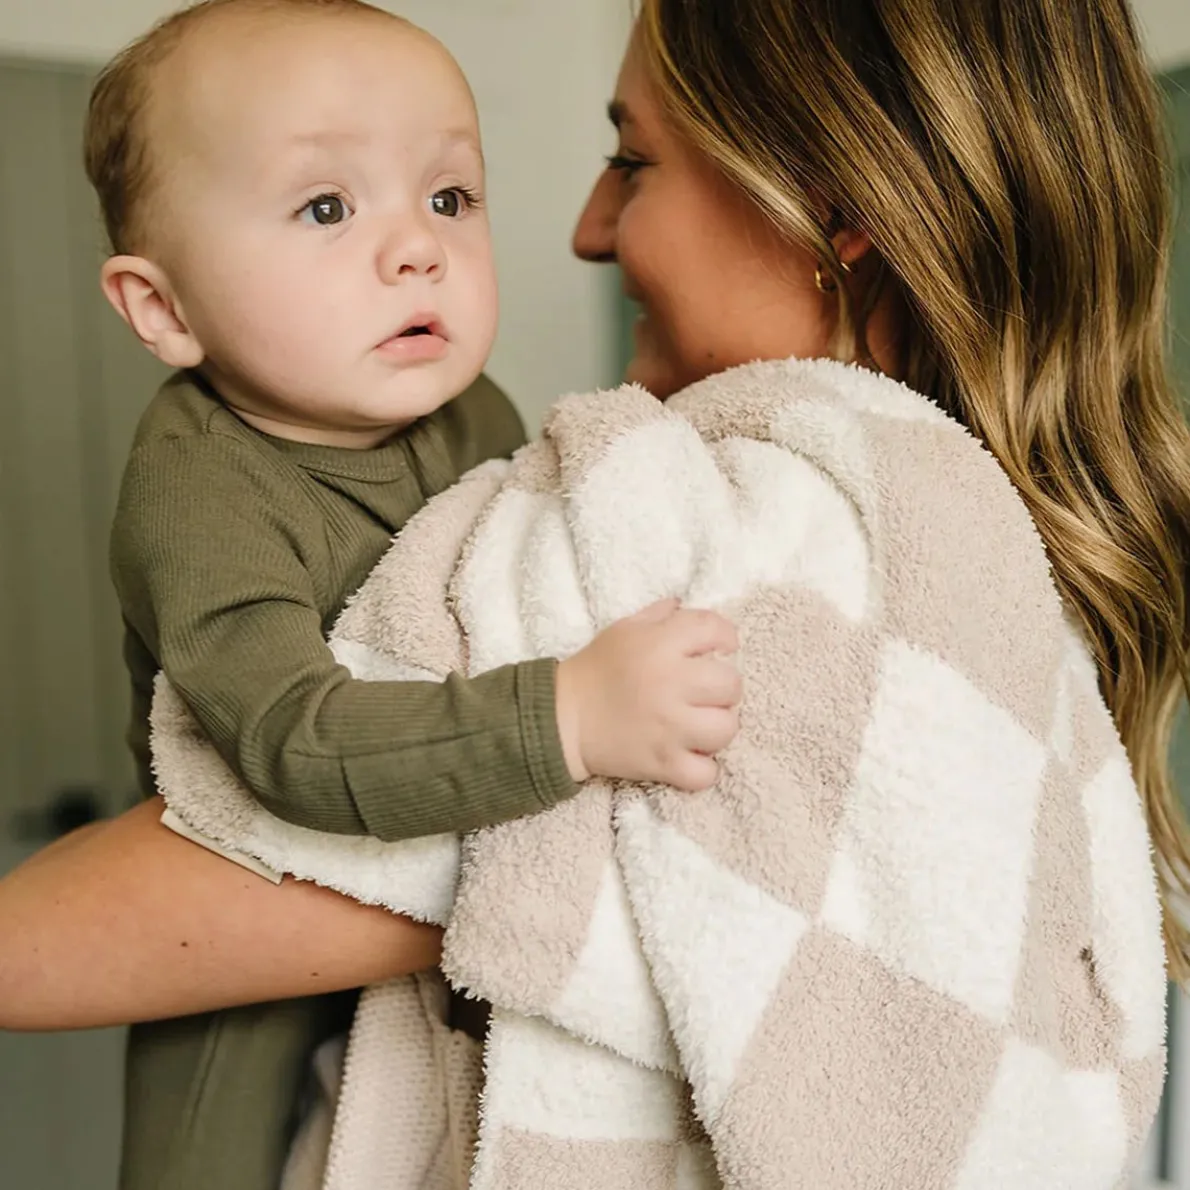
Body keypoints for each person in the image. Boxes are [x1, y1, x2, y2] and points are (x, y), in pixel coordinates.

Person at [3, 0, 1189, 1185]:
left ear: (830, 207)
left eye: (631, 159)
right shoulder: (963, 542)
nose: (581, 229)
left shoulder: (771, 534)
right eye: (326, 206)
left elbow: (69, 938)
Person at [55, 1, 742, 1187]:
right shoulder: (199, 493)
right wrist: (568, 715)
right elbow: (291, 744)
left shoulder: (470, 413)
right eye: (326, 207)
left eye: (448, 197)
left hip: (446, 896)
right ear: (163, 310)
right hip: (244, 901)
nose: (416, 248)